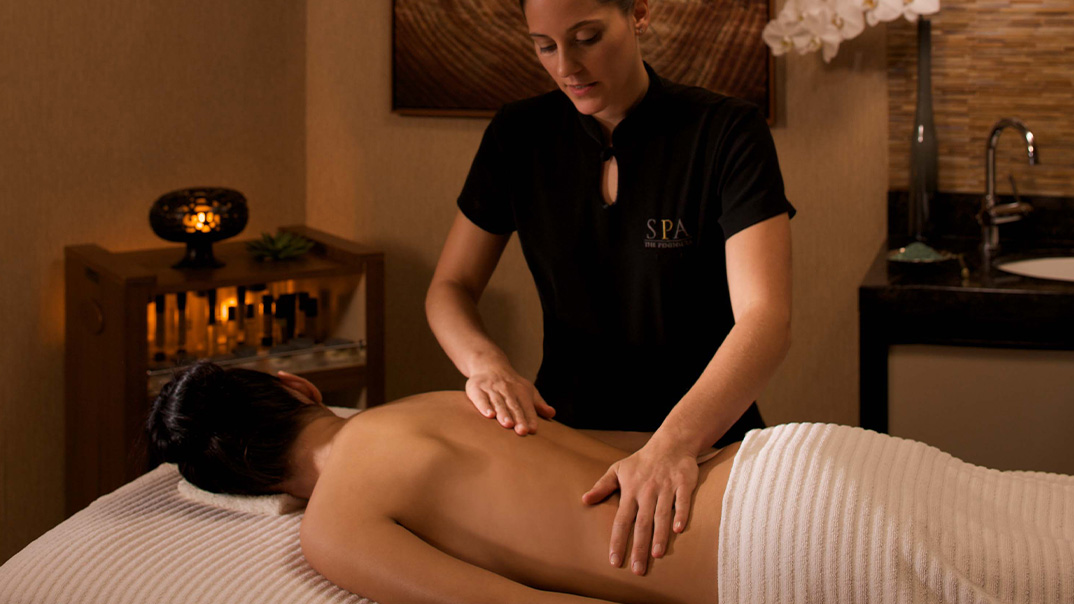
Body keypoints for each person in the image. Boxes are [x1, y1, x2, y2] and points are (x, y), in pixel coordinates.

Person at [147, 362, 1074, 604]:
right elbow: (620, 452)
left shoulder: (335, 528)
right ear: (296, 386)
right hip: (792, 461)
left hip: (785, 548)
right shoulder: (433, 402)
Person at [425, 0, 796, 572]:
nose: (566, 66)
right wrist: (487, 366)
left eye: (587, 38)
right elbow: (449, 286)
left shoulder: (725, 131)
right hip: (566, 442)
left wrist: (673, 446)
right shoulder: (518, 135)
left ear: (638, 13)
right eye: (545, 46)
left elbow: (766, 318)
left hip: (706, 448)